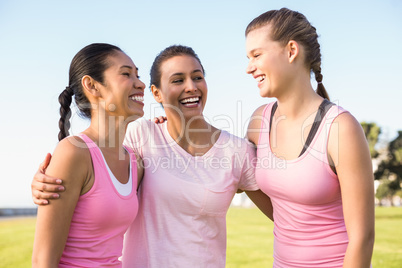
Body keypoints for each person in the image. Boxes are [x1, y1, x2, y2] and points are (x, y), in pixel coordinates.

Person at [31, 45, 272, 267]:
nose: (191, 86)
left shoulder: (235, 151)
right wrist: (46, 181)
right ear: (157, 93)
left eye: (198, 77)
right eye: (127, 74)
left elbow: (287, 211)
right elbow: (44, 257)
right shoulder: (136, 137)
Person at [245, 8, 375, 267]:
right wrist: (170, 126)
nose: (249, 68)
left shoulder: (340, 128)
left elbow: (363, 237)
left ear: (291, 51)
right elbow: (234, 173)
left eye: (257, 55)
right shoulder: (259, 121)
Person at [32, 43, 145, 267]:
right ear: (92, 86)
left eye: (137, 75)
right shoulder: (73, 152)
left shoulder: (135, 162)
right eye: (126, 74)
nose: (140, 83)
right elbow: (43, 261)